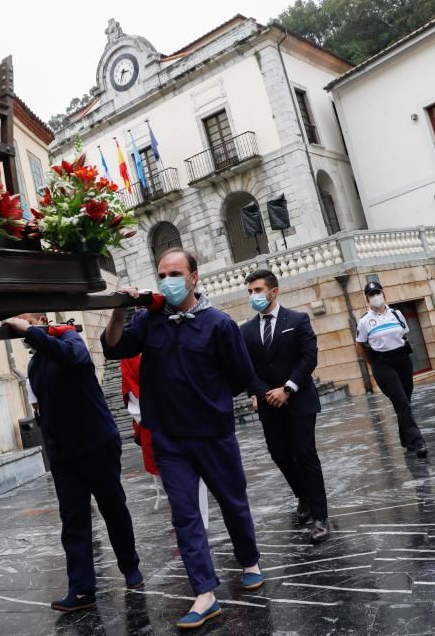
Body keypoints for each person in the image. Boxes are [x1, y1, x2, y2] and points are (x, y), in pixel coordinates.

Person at [102, 248, 263, 630]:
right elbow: (113, 348)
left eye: (175, 273)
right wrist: (118, 310)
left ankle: (250, 559)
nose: (167, 281)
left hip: (213, 434)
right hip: (169, 439)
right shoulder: (148, 321)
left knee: (232, 502)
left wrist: (210, 398)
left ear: (194, 277)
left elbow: (241, 376)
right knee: (185, 514)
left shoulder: (219, 324)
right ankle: (204, 593)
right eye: (162, 274)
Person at [3, 314, 143, 612]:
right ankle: (81, 591)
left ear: (40, 320)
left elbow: (70, 357)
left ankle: (130, 567)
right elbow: (43, 410)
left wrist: (32, 331)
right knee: (73, 521)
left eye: (24, 320)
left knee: (112, 507)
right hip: (64, 454)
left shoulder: (70, 340)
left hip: (96, 444)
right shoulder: (34, 364)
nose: (20, 327)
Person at [241, 269, 330, 543]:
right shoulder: (245, 330)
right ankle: (302, 494)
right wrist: (260, 393)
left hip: (299, 399)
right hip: (268, 403)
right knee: (279, 454)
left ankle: (320, 516)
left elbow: (308, 357)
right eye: (250, 292)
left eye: (258, 290)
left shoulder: (298, 319)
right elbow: (247, 367)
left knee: (305, 454)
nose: (254, 296)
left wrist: (288, 388)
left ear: (273, 291)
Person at [122, 355, 210, 528]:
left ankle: (198, 526)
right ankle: (188, 526)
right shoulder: (131, 355)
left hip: (189, 421)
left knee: (197, 482)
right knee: (175, 486)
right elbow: (133, 392)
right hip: (159, 429)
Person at [355, 281, 428, 458]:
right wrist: (372, 364)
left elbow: (405, 333)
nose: (375, 296)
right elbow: (359, 345)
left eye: (377, 292)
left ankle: (406, 439)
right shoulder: (365, 321)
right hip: (382, 364)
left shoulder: (396, 314)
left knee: (404, 401)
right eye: (371, 294)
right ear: (367, 298)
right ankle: (418, 441)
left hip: (402, 360)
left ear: (383, 292)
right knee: (401, 400)